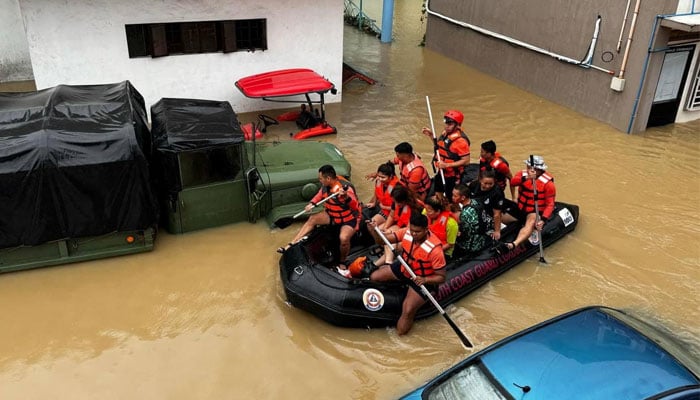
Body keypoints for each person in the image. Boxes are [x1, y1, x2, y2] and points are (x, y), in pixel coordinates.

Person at [369, 213, 446, 335]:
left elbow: (441, 277)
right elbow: (382, 241)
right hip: (405, 268)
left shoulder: (436, 250)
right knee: (374, 277)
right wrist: (374, 231)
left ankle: (400, 337)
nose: (414, 234)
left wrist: (425, 280)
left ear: (426, 229)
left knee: (408, 310)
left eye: (418, 232)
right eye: (412, 230)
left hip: (422, 279)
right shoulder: (406, 232)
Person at [277, 164, 361, 277]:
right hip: (333, 215)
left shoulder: (346, 189)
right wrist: (311, 204)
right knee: (313, 219)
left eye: (320, 178)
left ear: (328, 178)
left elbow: (355, 206)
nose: (319, 180)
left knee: (344, 238)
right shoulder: (326, 186)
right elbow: (319, 195)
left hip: (349, 219)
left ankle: (342, 261)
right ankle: (291, 244)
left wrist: (346, 197)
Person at [499, 155, 556, 252]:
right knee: (499, 212)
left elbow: (550, 204)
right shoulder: (522, 174)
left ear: (539, 169)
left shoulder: (548, 184)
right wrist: (527, 178)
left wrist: (543, 220)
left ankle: (514, 244)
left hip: (534, 211)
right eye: (528, 167)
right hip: (520, 207)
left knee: (531, 222)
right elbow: (513, 182)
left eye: (531, 168)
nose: (528, 169)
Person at [421, 110, 470, 197]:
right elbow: (440, 147)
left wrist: (447, 165)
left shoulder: (461, 141)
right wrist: (431, 136)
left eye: (450, 124)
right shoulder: (445, 133)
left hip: (453, 175)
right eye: (446, 123)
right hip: (442, 171)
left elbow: (466, 161)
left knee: (450, 198)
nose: (447, 126)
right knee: (438, 192)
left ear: (457, 125)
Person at [468, 168, 508, 241]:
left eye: (490, 184)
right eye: (485, 183)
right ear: (480, 180)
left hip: (489, 215)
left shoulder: (497, 192)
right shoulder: (473, 185)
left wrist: (497, 231)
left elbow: (497, 214)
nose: (487, 186)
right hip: (475, 210)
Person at [451, 184, 489, 259]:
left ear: (463, 197)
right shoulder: (475, 201)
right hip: (482, 236)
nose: (452, 197)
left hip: (472, 245)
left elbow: (464, 233)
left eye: (455, 196)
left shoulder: (465, 213)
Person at [363, 162, 401, 226]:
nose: (380, 179)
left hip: (392, 212)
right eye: (379, 176)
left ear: (390, 176)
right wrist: (374, 203)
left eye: (383, 177)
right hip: (383, 209)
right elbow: (376, 191)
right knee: (369, 223)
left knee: (373, 226)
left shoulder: (397, 187)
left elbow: (399, 207)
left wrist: (384, 207)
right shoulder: (378, 181)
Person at [423, 193, 458, 260]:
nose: (426, 212)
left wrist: (433, 252)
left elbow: (450, 244)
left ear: (438, 211)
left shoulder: (451, 224)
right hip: (427, 244)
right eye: (426, 209)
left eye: (429, 211)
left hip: (443, 252)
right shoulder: (426, 212)